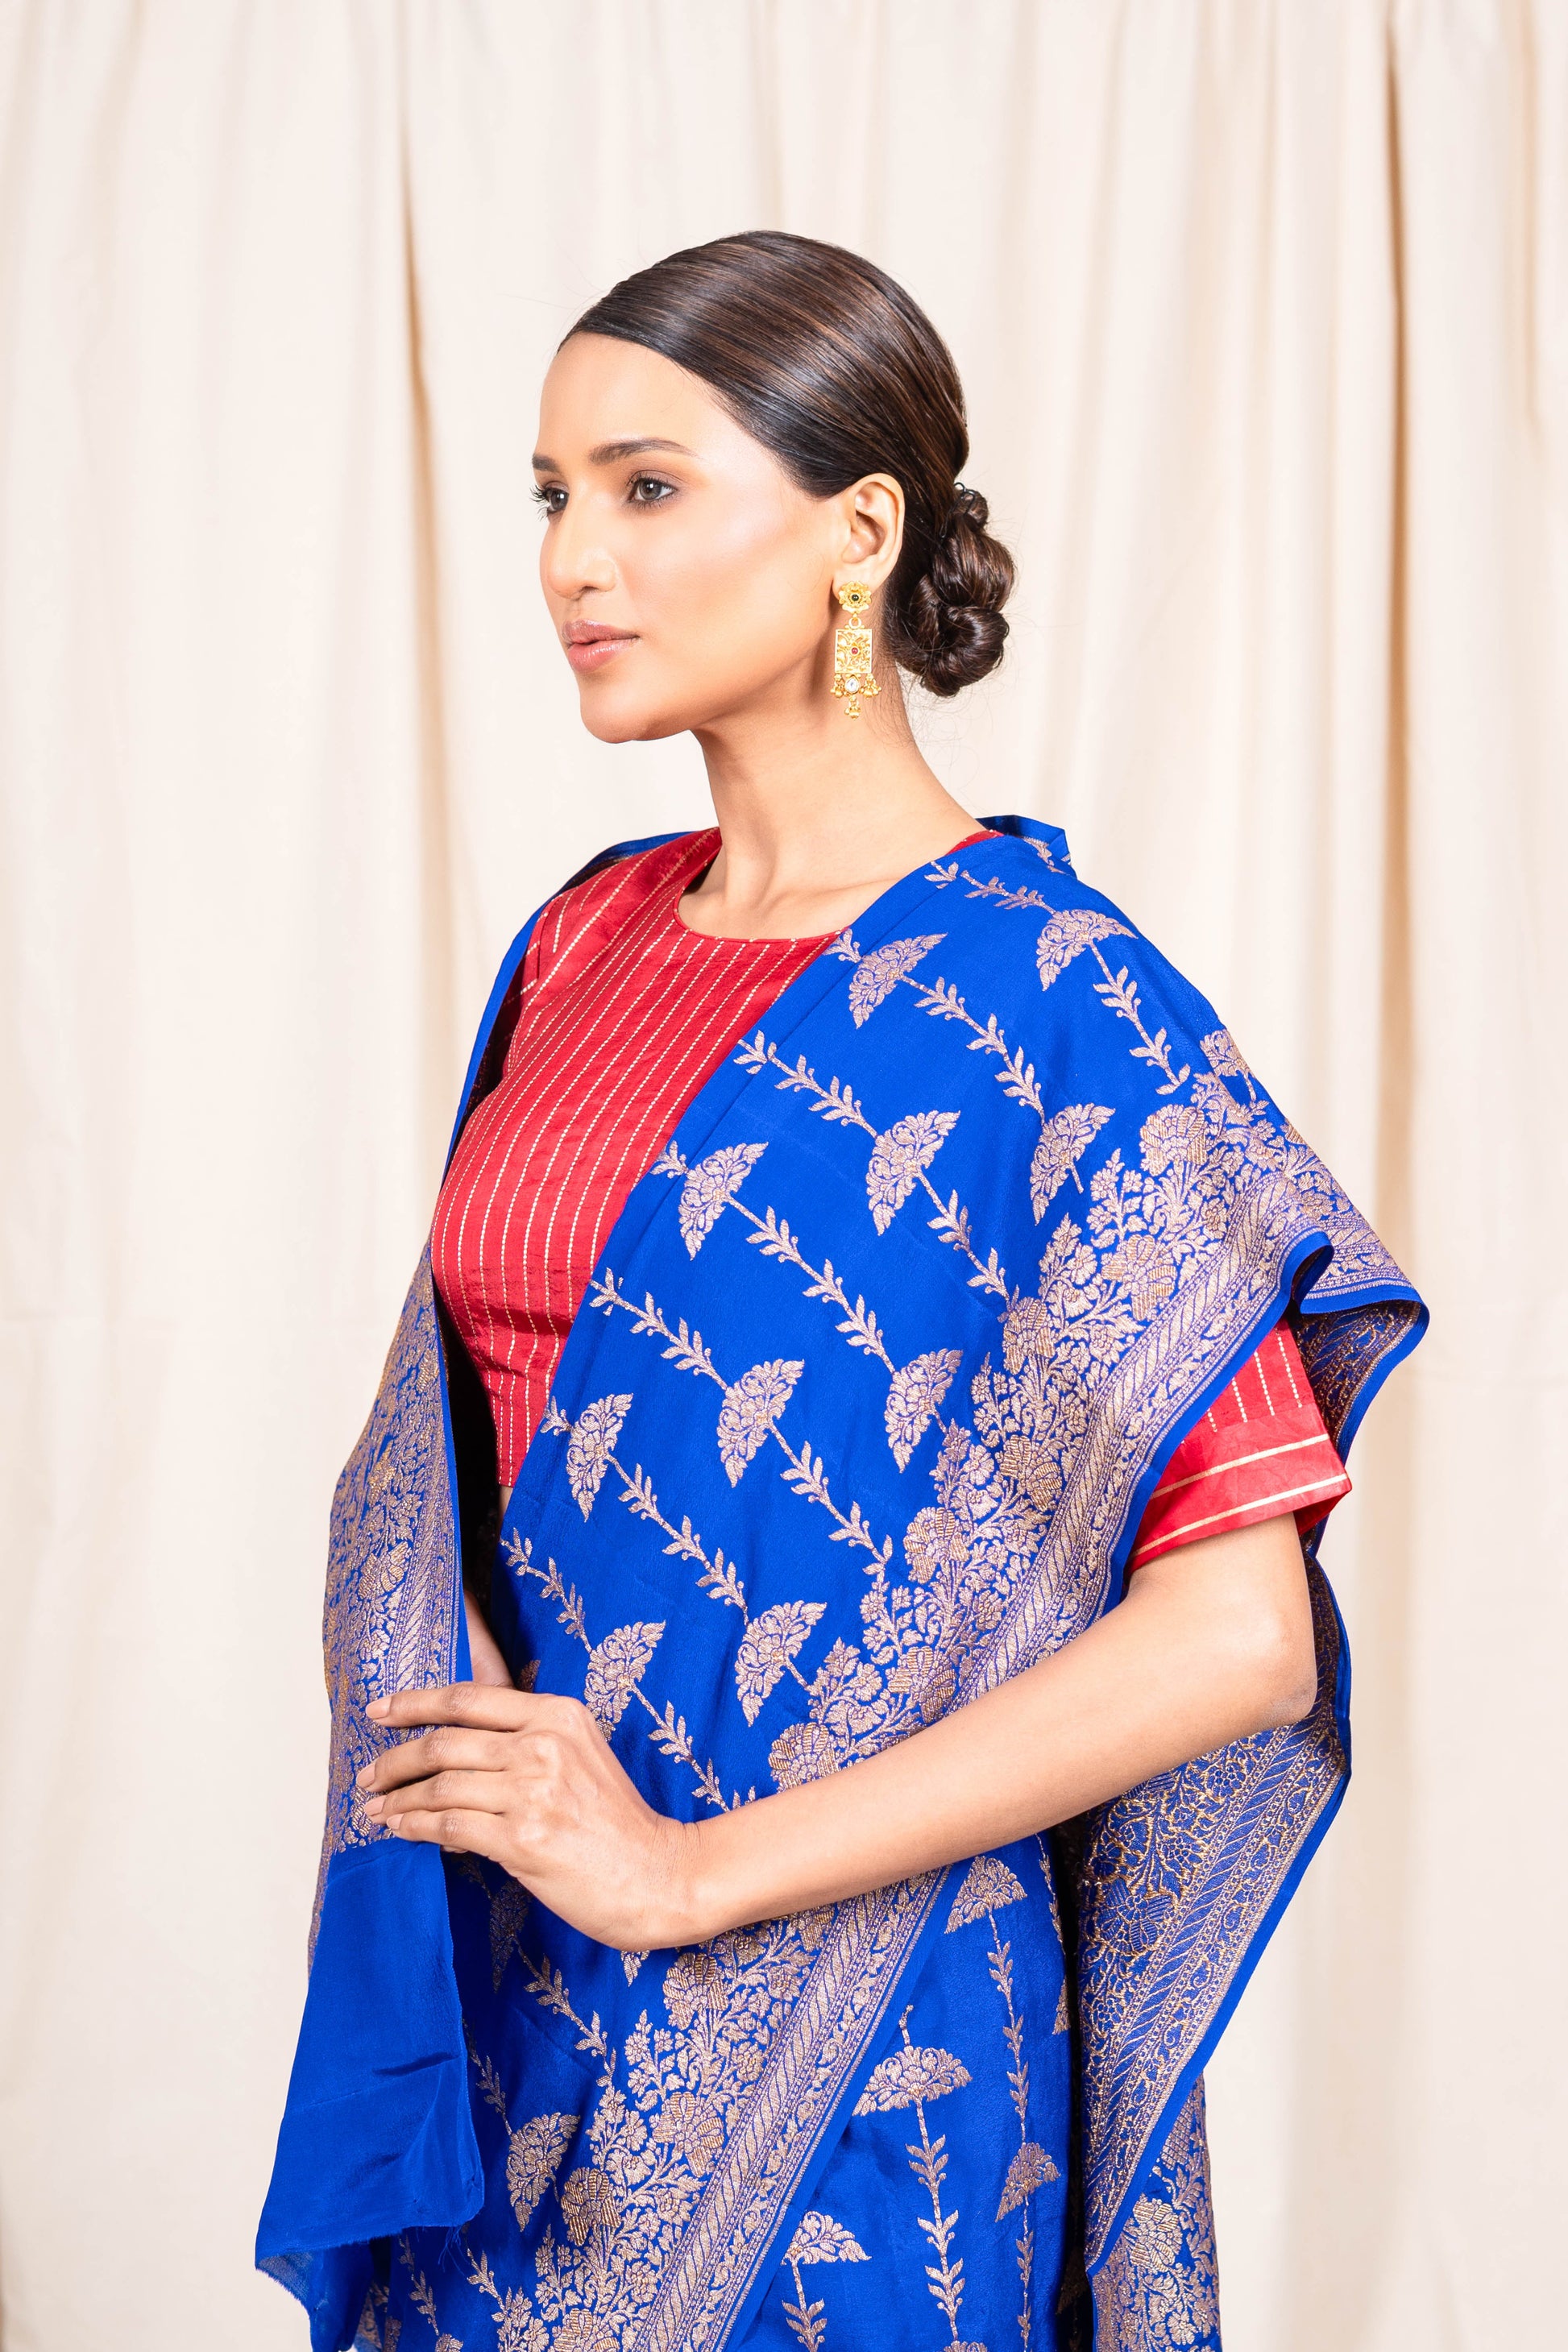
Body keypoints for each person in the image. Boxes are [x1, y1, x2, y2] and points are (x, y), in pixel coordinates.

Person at [258, 233, 1425, 2352]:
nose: (573, 561)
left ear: (858, 534)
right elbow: (465, 1479)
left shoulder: (1056, 1004)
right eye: (552, 496)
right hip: (507, 1997)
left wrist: (687, 1873)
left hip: (861, 2054)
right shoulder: (583, 948)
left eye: (647, 487)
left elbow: (1241, 1638)